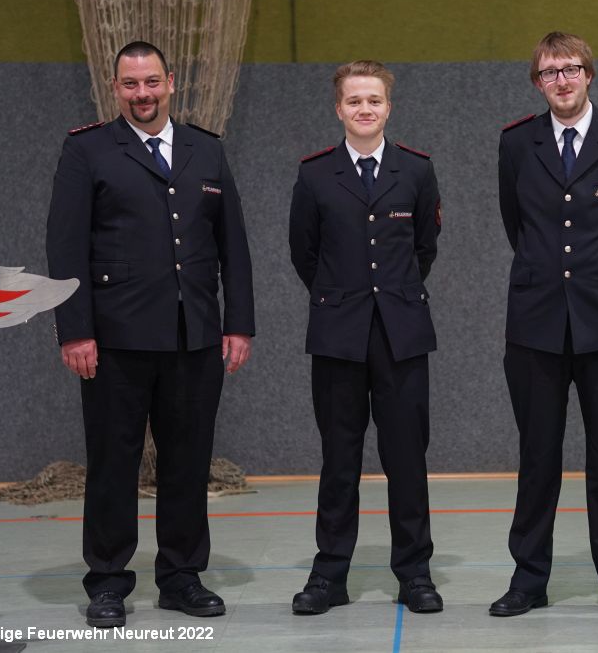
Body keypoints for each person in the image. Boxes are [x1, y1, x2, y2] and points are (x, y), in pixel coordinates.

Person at [46, 41, 255, 628]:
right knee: (113, 462)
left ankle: (181, 576)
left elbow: (233, 245)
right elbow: (65, 245)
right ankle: (108, 581)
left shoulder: (205, 149)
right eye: (131, 84)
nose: (143, 94)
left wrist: (238, 323)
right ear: (116, 88)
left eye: (152, 82)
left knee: (188, 461)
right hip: (115, 339)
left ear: (171, 82)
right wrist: (75, 330)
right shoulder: (87, 149)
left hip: (194, 334)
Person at [492, 32, 598, 620]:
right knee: (537, 457)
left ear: (589, 73)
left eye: (570, 69)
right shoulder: (518, 142)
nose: (560, 81)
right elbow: (516, 224)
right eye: (548, 72)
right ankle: (528, 579)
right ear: (537, 82)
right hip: (536, 324)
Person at [288, 60, 443, 615]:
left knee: (407, 460)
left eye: (374, 100)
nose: (364, 109)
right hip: (338, 336)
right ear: (339, 109)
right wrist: (343, 298)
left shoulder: (416, 170)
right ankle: (329, 576)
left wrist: (390, 297)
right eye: (354, 100)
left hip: (402, 335)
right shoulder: (314, 175)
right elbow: (304, 253)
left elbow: (424, 248)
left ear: (388, 107)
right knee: (339, 459)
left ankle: (415, 574)